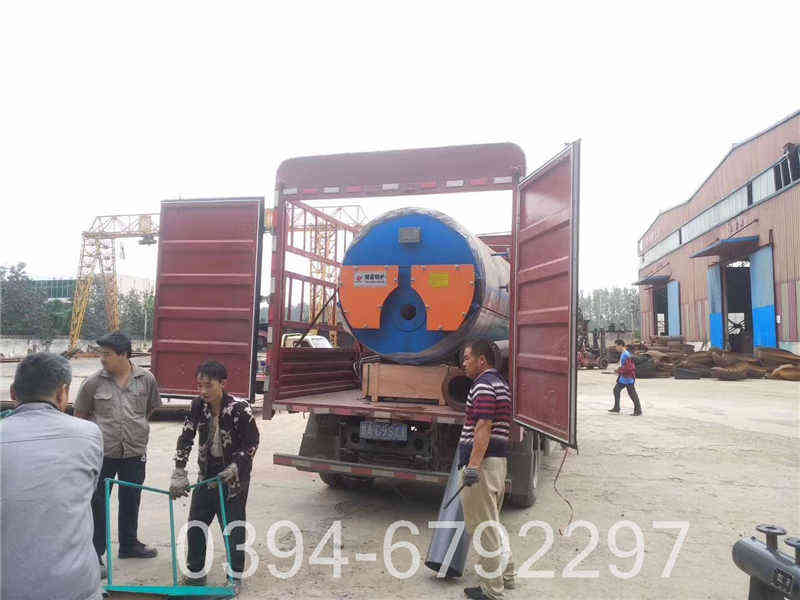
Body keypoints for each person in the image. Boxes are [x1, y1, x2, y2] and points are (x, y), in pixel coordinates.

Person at [1, 353, 104, 600]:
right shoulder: (89, 434)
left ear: (13, 393)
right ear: (62, 394)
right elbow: (87, 490)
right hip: (75, 587)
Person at [74, 331, 162, 571]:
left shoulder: (146, 379)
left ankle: (129, 545)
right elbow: (80, 416)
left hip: (134, 451)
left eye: (107, 354)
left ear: (124, 354)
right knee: (97, 502)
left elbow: (150, 410)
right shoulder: (93, 382)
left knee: (131, 498)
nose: (102, 358)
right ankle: (95, 552)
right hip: (103, 453)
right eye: (101, 353)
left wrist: (133, 428)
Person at [169, 360, 260, 588]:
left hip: (234, 478)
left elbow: (252, 442)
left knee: (233, 527)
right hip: (207, 474)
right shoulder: (198, 406)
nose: (203, 391)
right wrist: (179, 470)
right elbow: (186, 436)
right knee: (196, 524)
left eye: (208, 385)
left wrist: (236, 466)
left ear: (223, 384)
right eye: (200, 385)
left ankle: (234, 577)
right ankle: (195, 573)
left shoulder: (239, 409)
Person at [458, 340, 515, 600]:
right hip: (497, 463)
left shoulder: (482, 384)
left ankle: (492, 590)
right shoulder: (500, 383)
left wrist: (472, 466)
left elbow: (483, 426)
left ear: (482, 360)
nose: (464, 363)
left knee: (483, 528)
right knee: (493, 524)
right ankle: (507, 575)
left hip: (482, 466)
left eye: (467, 358)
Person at [609, 339, 642, 416]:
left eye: (616, 346)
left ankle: (638, 410)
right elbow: (623, 365)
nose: (615, 348)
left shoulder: (626, 354)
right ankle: (616, 408)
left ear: (620, 345)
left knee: (632, 393)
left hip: (628, 377)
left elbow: (629, 367)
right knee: (616, 390)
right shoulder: (623, 353)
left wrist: (619, 370)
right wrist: (619, 370)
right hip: (624, 377)